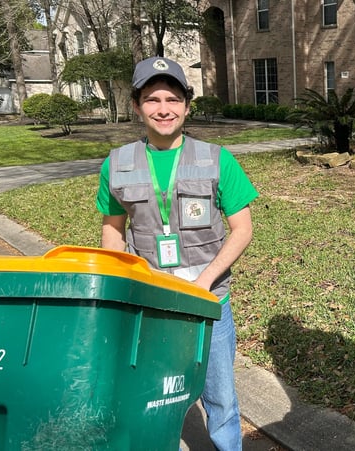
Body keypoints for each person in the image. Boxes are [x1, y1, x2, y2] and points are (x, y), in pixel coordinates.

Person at [95, 56, 258, 450]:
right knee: (150, 395)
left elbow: (243, 229)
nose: (163, 109)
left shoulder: (218, 159)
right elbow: (113, 232)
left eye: (172, 98)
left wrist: (202, 285)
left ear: (187, 104)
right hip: (150, 306)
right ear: (136, 105)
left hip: (209, 304)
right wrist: (120, 289)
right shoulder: (116, 165)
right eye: (152, 99)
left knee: (220, 398)